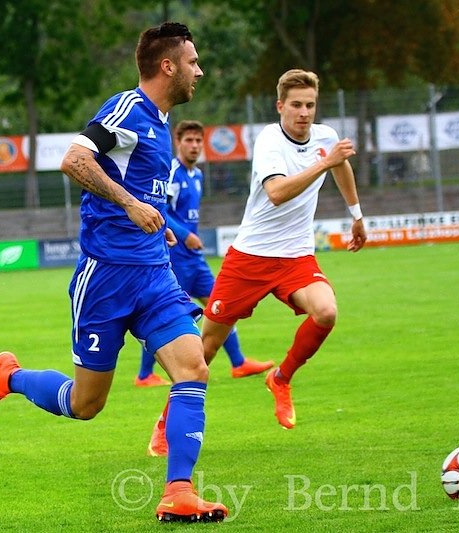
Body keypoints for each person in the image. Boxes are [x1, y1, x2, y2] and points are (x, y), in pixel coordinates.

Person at [0, 22, 228, 523]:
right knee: (86, 405)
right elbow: (74, 159)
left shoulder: (160, 125)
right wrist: (131, 205)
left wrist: (158, 226)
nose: (200, 71)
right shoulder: (128, 108)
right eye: (193, 62)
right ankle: (11, 376)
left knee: (193, 366)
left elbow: (140, 189)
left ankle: (178, 490)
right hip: (105, 279)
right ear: (167, 65)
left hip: (153, 275)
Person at [148, 69, 366, 443]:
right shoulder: (269, 140)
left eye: (310, 105)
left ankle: (280, 379)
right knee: (205, 350)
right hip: (249, 258)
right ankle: (166, 422)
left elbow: (340, 163)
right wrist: (325, 164)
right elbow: (278, 192)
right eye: (296, 105)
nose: (304, 113)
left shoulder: (325, 137)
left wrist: (356, 214)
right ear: (280, 106)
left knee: (327, 312)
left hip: (296, 257)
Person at [134, 120, 274, 388]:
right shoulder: (172, 173)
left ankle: (238, 363)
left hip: (194, 259)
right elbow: (159, 210)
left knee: (222, 305)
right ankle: (144, 375)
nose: (195, 146)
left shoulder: (197, 175)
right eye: (189, 140)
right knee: (165, 312)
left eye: (199, 141)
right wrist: (185, 235)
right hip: (175, 255)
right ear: (178, 142)